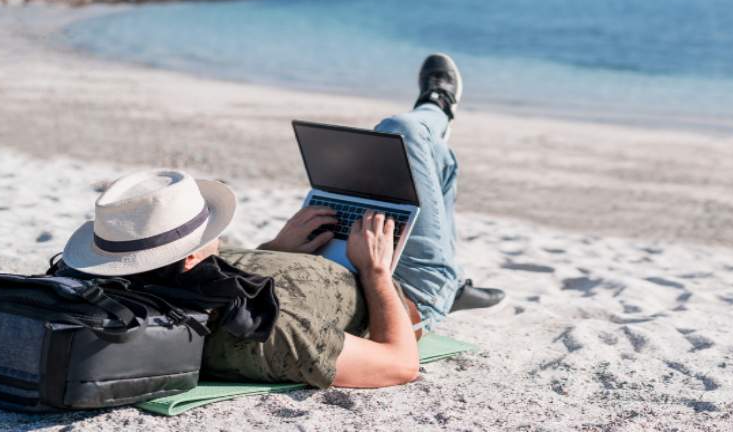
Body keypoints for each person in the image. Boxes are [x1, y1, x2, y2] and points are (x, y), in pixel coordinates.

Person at [58, 54, 503, 389]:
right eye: (207, 229)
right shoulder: (265, 329)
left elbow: (236, 270)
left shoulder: (151, 284)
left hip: (333, 256)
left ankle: (436, 129)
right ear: (191, 253)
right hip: (403, 291)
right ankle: (437, 108)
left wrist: (277, 249)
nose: (218, 237)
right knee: (405, 134)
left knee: (412, 160)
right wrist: (377, 271)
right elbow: (399, 364)